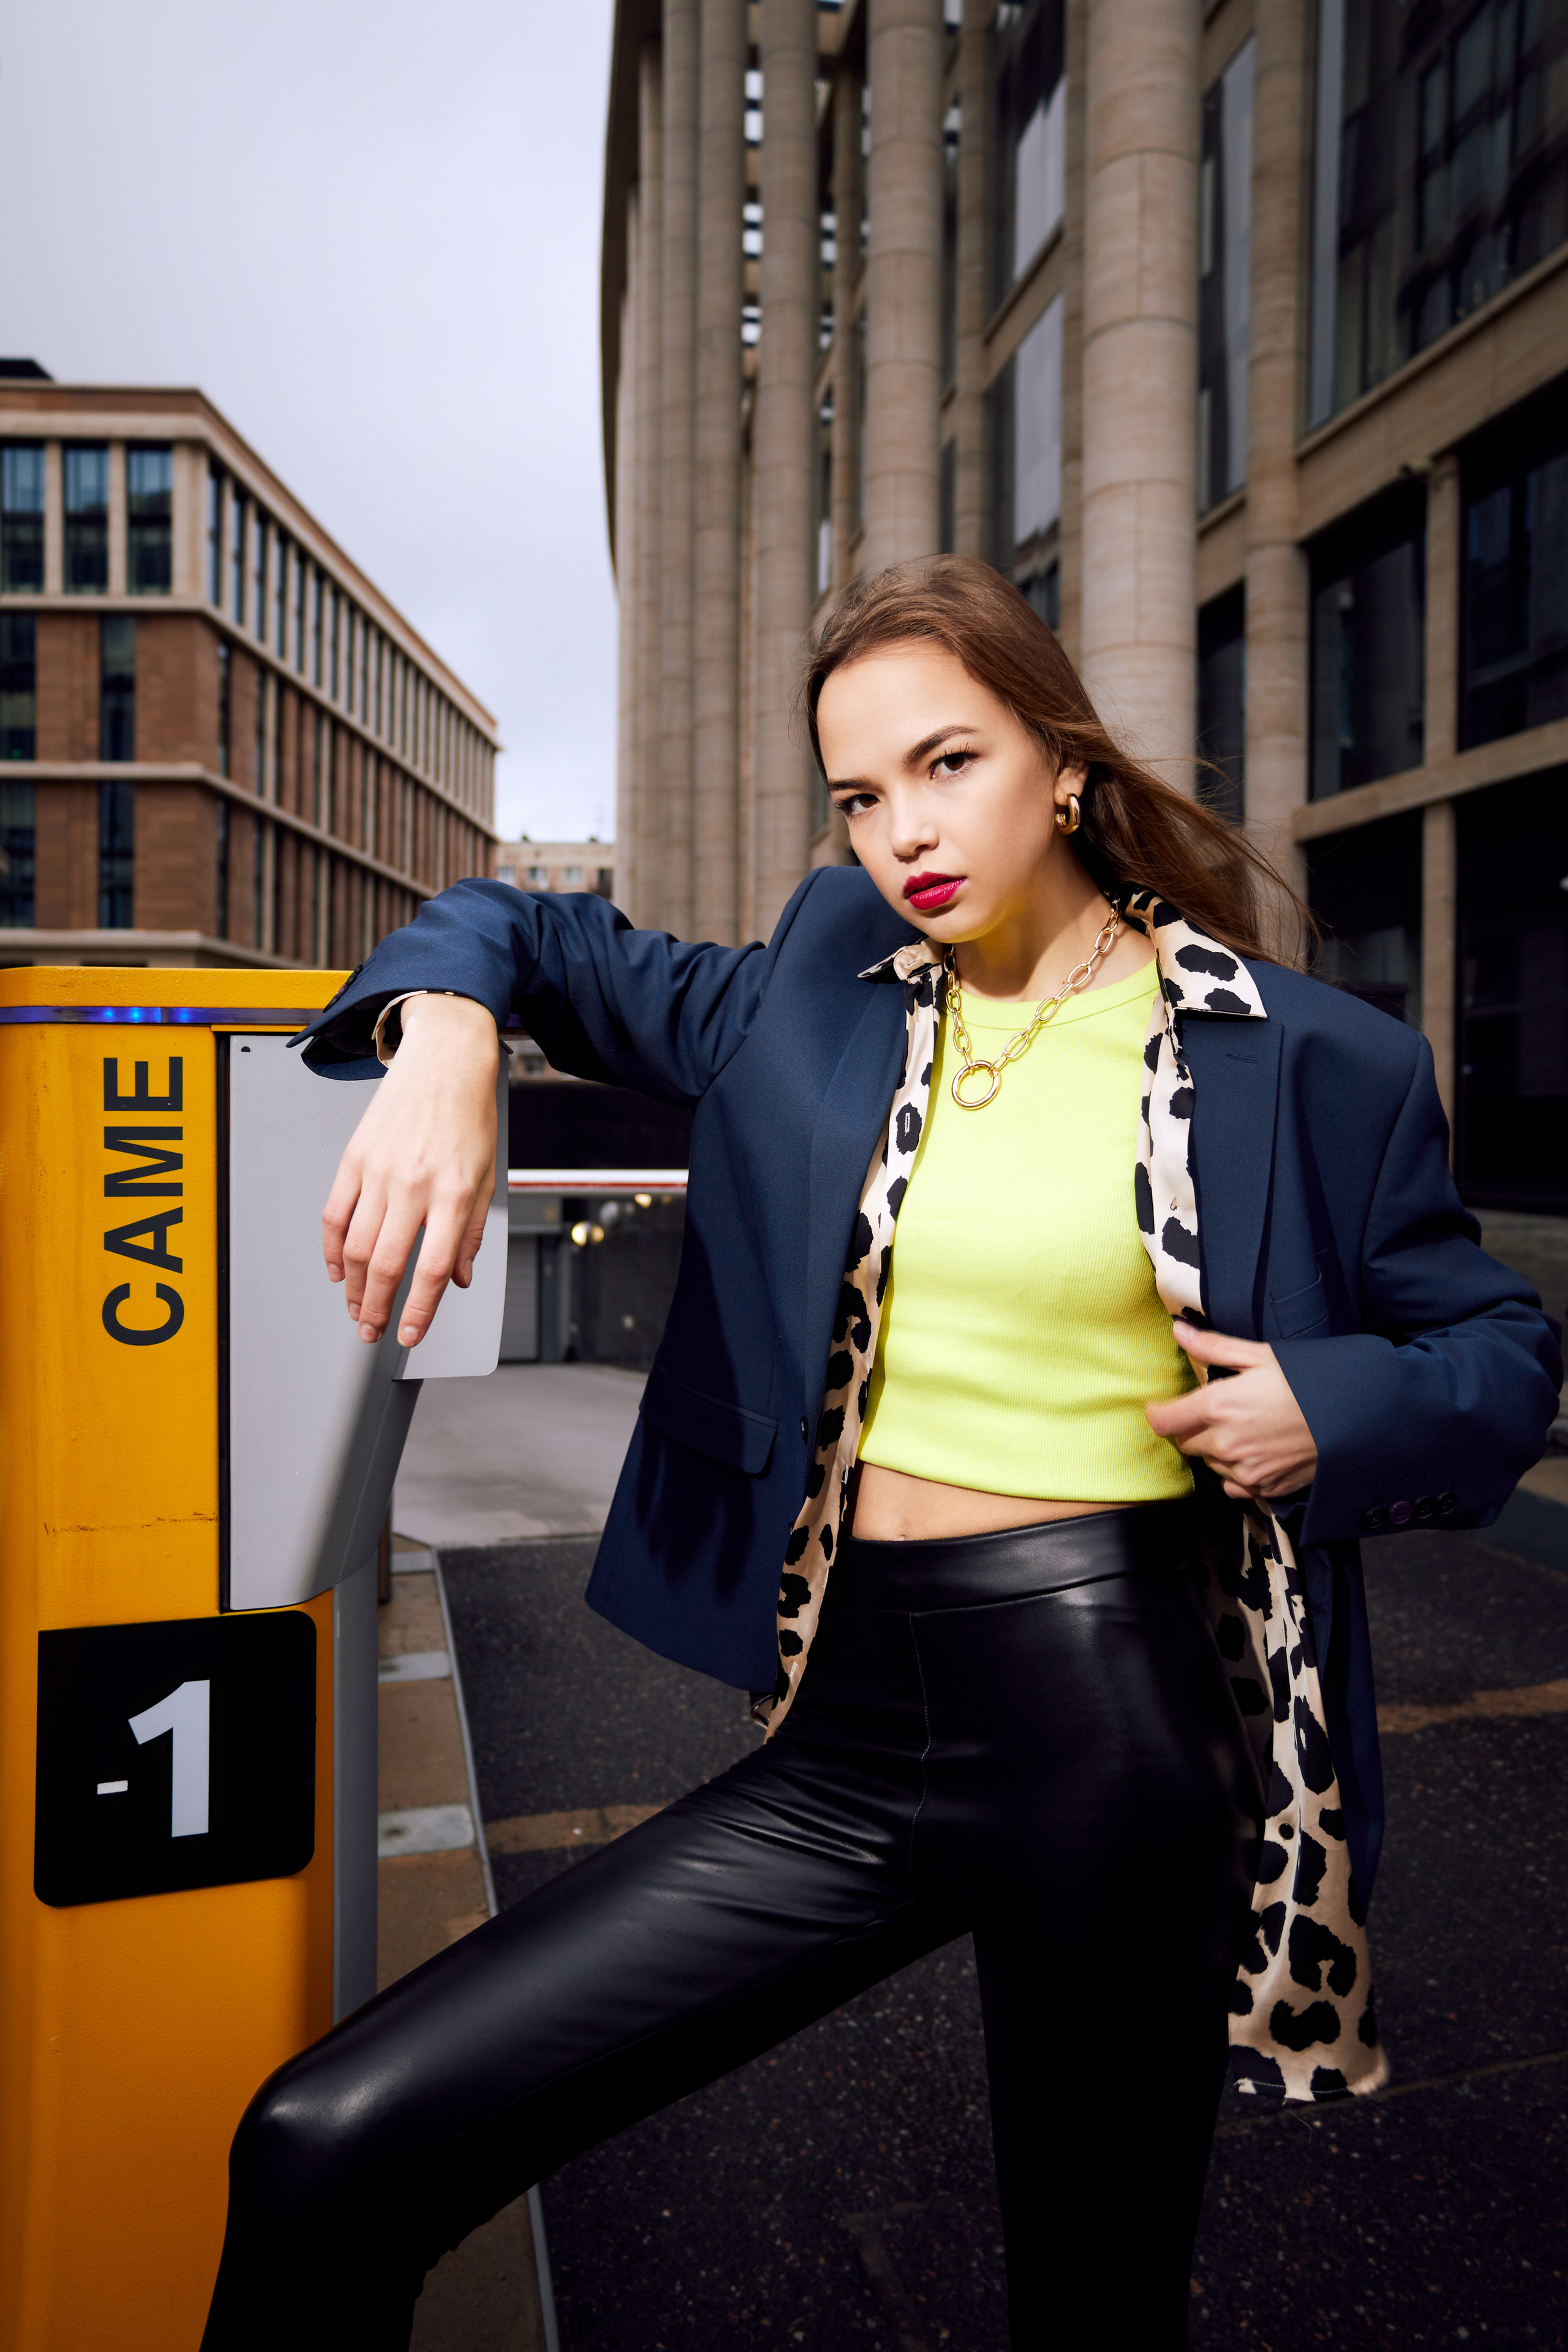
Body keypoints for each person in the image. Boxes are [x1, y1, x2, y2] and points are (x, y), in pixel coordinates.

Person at [201, 557, 1559, 2351]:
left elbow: (1499, 1353)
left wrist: (1334, 1406)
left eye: (948, 765)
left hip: (1113, 1737)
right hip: (841, 1744)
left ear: (1058, 763)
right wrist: (444, 1037)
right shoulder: (820, 984)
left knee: (1093, 2309)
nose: (901, 832)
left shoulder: (1304, 1058)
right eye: (859, 795)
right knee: (324, 2144)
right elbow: (518, 929)